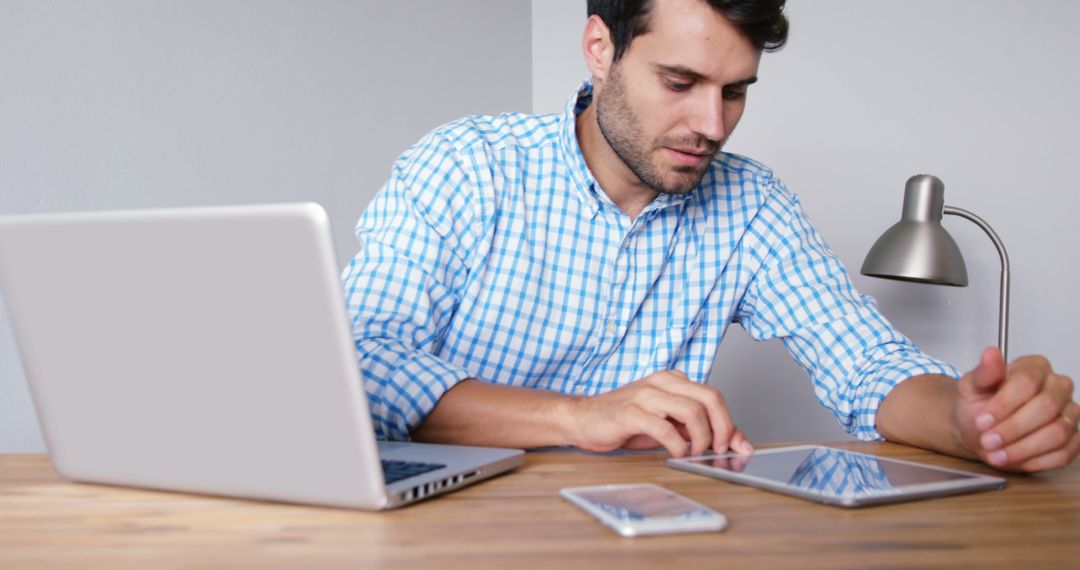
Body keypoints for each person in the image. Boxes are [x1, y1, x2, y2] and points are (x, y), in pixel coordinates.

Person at [342, 0, 1078, 473]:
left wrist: (968, 419)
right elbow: (359, 367)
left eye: (735, 91)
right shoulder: (467, 166)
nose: (713, 126)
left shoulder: (751, 203)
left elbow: (867, 365)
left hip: (637, 535)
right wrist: (577, 417)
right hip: (446, 528)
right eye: (680, 82)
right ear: (600, 48)